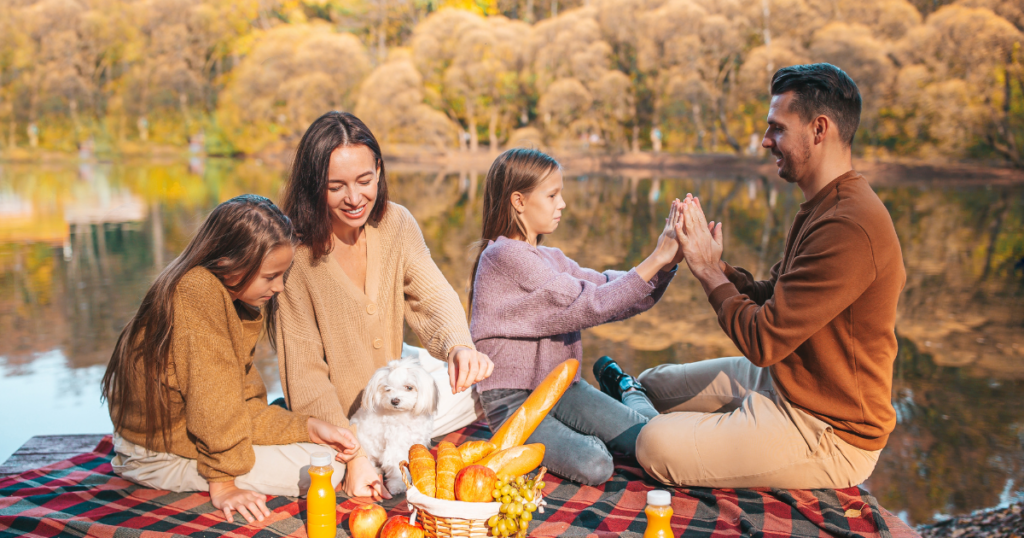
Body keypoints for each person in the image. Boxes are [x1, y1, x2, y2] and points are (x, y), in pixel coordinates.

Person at [605, 63, 906, 489]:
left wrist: (709, 273)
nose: (766, 141)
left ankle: (664, 441)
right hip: (787, 380)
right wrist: (719, 266)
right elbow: (777, 299)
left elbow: (763, 340)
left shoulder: (849, 224)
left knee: (654, 445)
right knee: (650, 385)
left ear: (819, 129)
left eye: (778, 128)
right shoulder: (822, 205)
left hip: (827, 429)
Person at [101, 195, 361, 525]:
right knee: (326, 467)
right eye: (270, 276)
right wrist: (223, 484)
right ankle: (209, 470)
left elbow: (238, 403)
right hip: (152, 455)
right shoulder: (197, 294)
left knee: (311, 439)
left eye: (283, 274)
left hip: (185, 432)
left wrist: (306, 427)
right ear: (232, 263)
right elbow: (215, 407)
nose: (279, 287)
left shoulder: (219, 292)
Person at [274, 111, 494, 499]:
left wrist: (460, 345)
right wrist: (355, 457)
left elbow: (432, 294)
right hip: (338, 419)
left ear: (379, 169)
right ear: (313, 186)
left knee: (487, 383)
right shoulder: (293, 254)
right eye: (336, 186)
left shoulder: (396, 223)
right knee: (312, 472)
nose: (355, 198)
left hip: (396, 393)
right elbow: (305, 373)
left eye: (364, 180)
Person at [469, 148, 683, 485]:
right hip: (514, 401)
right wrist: (655, 259)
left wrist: (667, 262)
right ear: (519, 202)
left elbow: (610, 289)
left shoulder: (550, 258)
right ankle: (611, 411)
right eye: (553, 194)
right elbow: (592, 303)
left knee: (651, 439)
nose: (562, 203)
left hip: (563, 389)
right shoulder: (503, 256)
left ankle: (628, 391)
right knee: (595, 464)